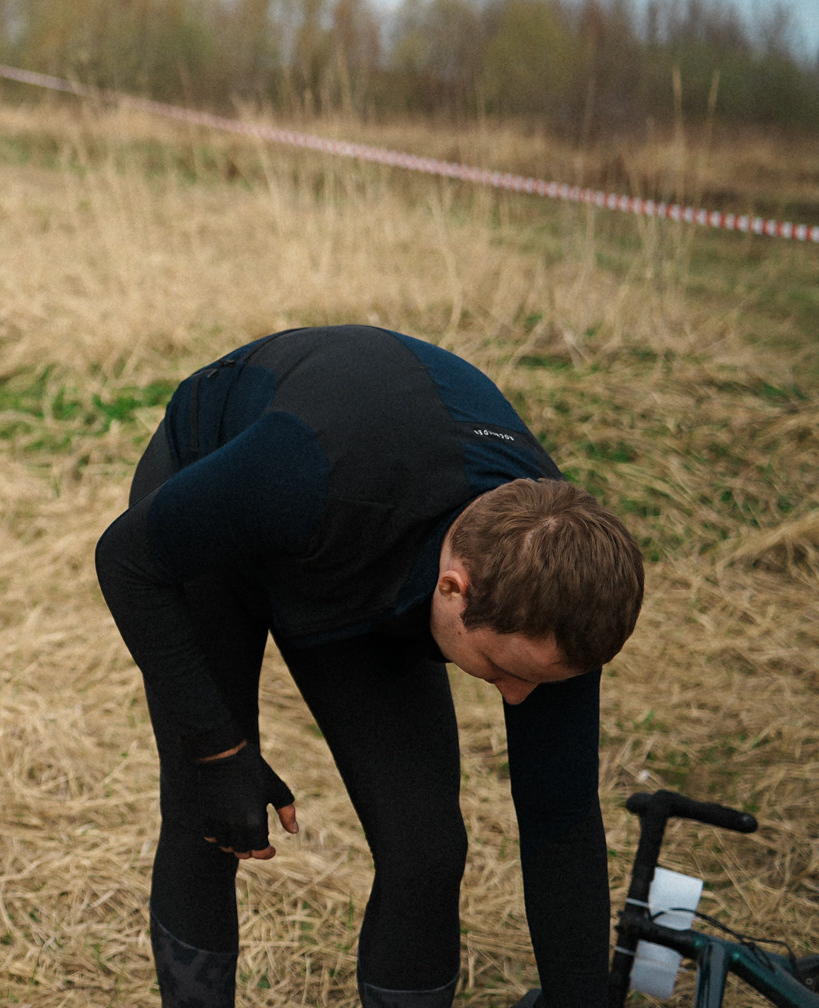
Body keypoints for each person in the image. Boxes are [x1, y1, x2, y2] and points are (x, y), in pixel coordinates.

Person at [95, 324, 647, 1008]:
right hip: (221, 498)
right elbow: (125, 561)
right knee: (208, 820)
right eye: (501, 669)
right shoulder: (303, 471)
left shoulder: (563, 596)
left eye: (536, 677)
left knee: (427, 851)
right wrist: (219, 746)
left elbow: (559, 821)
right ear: (456, 588)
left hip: (357, 546)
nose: (518, 695)